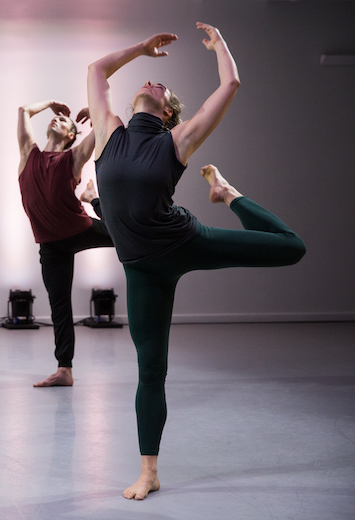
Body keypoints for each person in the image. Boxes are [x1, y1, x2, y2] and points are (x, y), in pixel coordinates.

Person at [87, 23, 306, 499]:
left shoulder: (176, 141)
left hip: (184, 241)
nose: (151, 81)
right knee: (151, 369)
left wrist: (221, 46)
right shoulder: (109, 133)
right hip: (141, 267)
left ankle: (228, 194)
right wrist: (141, 50)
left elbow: (230, 85)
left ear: (167, 111)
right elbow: (98, 69)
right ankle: (149, 472)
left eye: (160, 86)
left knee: (292, 248)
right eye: (146, 80)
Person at [17, 100, 115, 387]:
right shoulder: (28, 154)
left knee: (125, 232)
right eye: (54, 118)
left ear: (72, 135)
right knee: (59, 305)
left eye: (64, 121)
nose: (56, 120)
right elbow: (23, 111)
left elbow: (104, 128)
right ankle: (64, 370)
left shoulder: (72, 158)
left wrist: (95, 113)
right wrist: (50, 104)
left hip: (79, 229)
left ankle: (92, 199)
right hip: (51, 244)